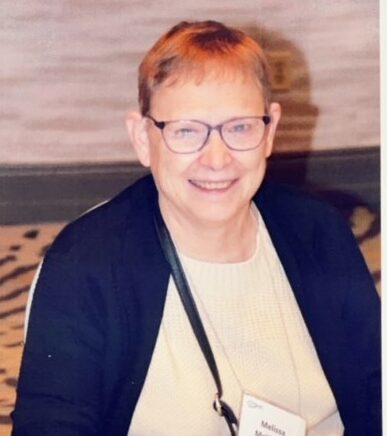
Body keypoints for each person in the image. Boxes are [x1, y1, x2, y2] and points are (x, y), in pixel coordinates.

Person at [12, 20, 381, 436]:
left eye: (239, 127)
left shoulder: (320, 234)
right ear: (141, 138)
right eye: (187, 131)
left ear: (270, 131)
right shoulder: (84, 267)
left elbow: (376, 395)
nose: (217, 159)